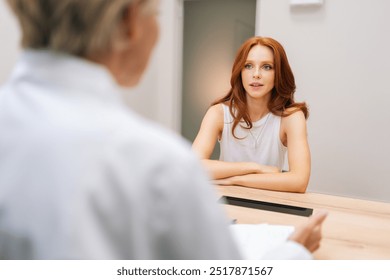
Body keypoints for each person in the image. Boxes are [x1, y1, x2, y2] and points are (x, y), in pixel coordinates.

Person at [0, 0, 326, 259]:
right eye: (155, 12)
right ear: (130, 22)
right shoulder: (159, 165)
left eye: (266, 67)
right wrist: (293, 253)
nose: (256, 74)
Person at [193, 36, 310, 193]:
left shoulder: (291, 118)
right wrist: (256, 168)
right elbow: (193, 167)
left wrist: (235, 180)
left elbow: (299, 181)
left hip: (269, 204)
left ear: (278, 73)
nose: (256, 74)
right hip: (225, 201)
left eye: (267, 67)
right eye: (248, 66)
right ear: (239, 71)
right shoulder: (218, 113)